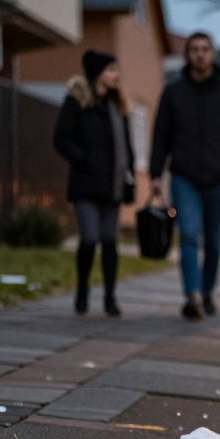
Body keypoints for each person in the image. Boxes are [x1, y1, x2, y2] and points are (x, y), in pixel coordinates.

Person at [149, 32, 220, 320]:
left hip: (218, 179)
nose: (200, 54)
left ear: (213, 54)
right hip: (184, 177)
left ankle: (207, 293)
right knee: (189, 235)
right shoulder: (174, 92)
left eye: (205, 49)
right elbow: (161, 135)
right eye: (194, 49)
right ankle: (192, 296)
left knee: (213, 241)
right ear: (188, 55)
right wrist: (156, 173)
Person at [53, 50, 135, 317]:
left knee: (110, 241)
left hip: (113, 185)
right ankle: (82, 289)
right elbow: (61, 139)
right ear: (98, 73)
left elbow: (127, 147)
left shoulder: (117, 105)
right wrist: (83, 159)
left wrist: (130, 178)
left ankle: (110, 297)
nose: (116, 75)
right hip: (86, 184)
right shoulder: (77, 102)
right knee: (89, 238)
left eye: (116, 70)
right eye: (111, 70)